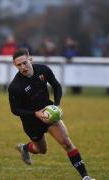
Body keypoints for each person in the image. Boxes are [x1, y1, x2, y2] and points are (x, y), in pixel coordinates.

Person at [8, 48, 95, 180]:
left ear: (30, 59)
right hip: (31, 122)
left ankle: (85, 177)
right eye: (19, 65)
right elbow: (15, 110)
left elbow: (56, 86)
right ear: (15, 65)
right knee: (42, 150)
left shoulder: (43, 70)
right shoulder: (15, 86)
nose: (23, 67)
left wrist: (56, 105)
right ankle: (25, 148)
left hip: (49, 115)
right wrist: (36, 114)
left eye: (25, 62)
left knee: (66, 143)